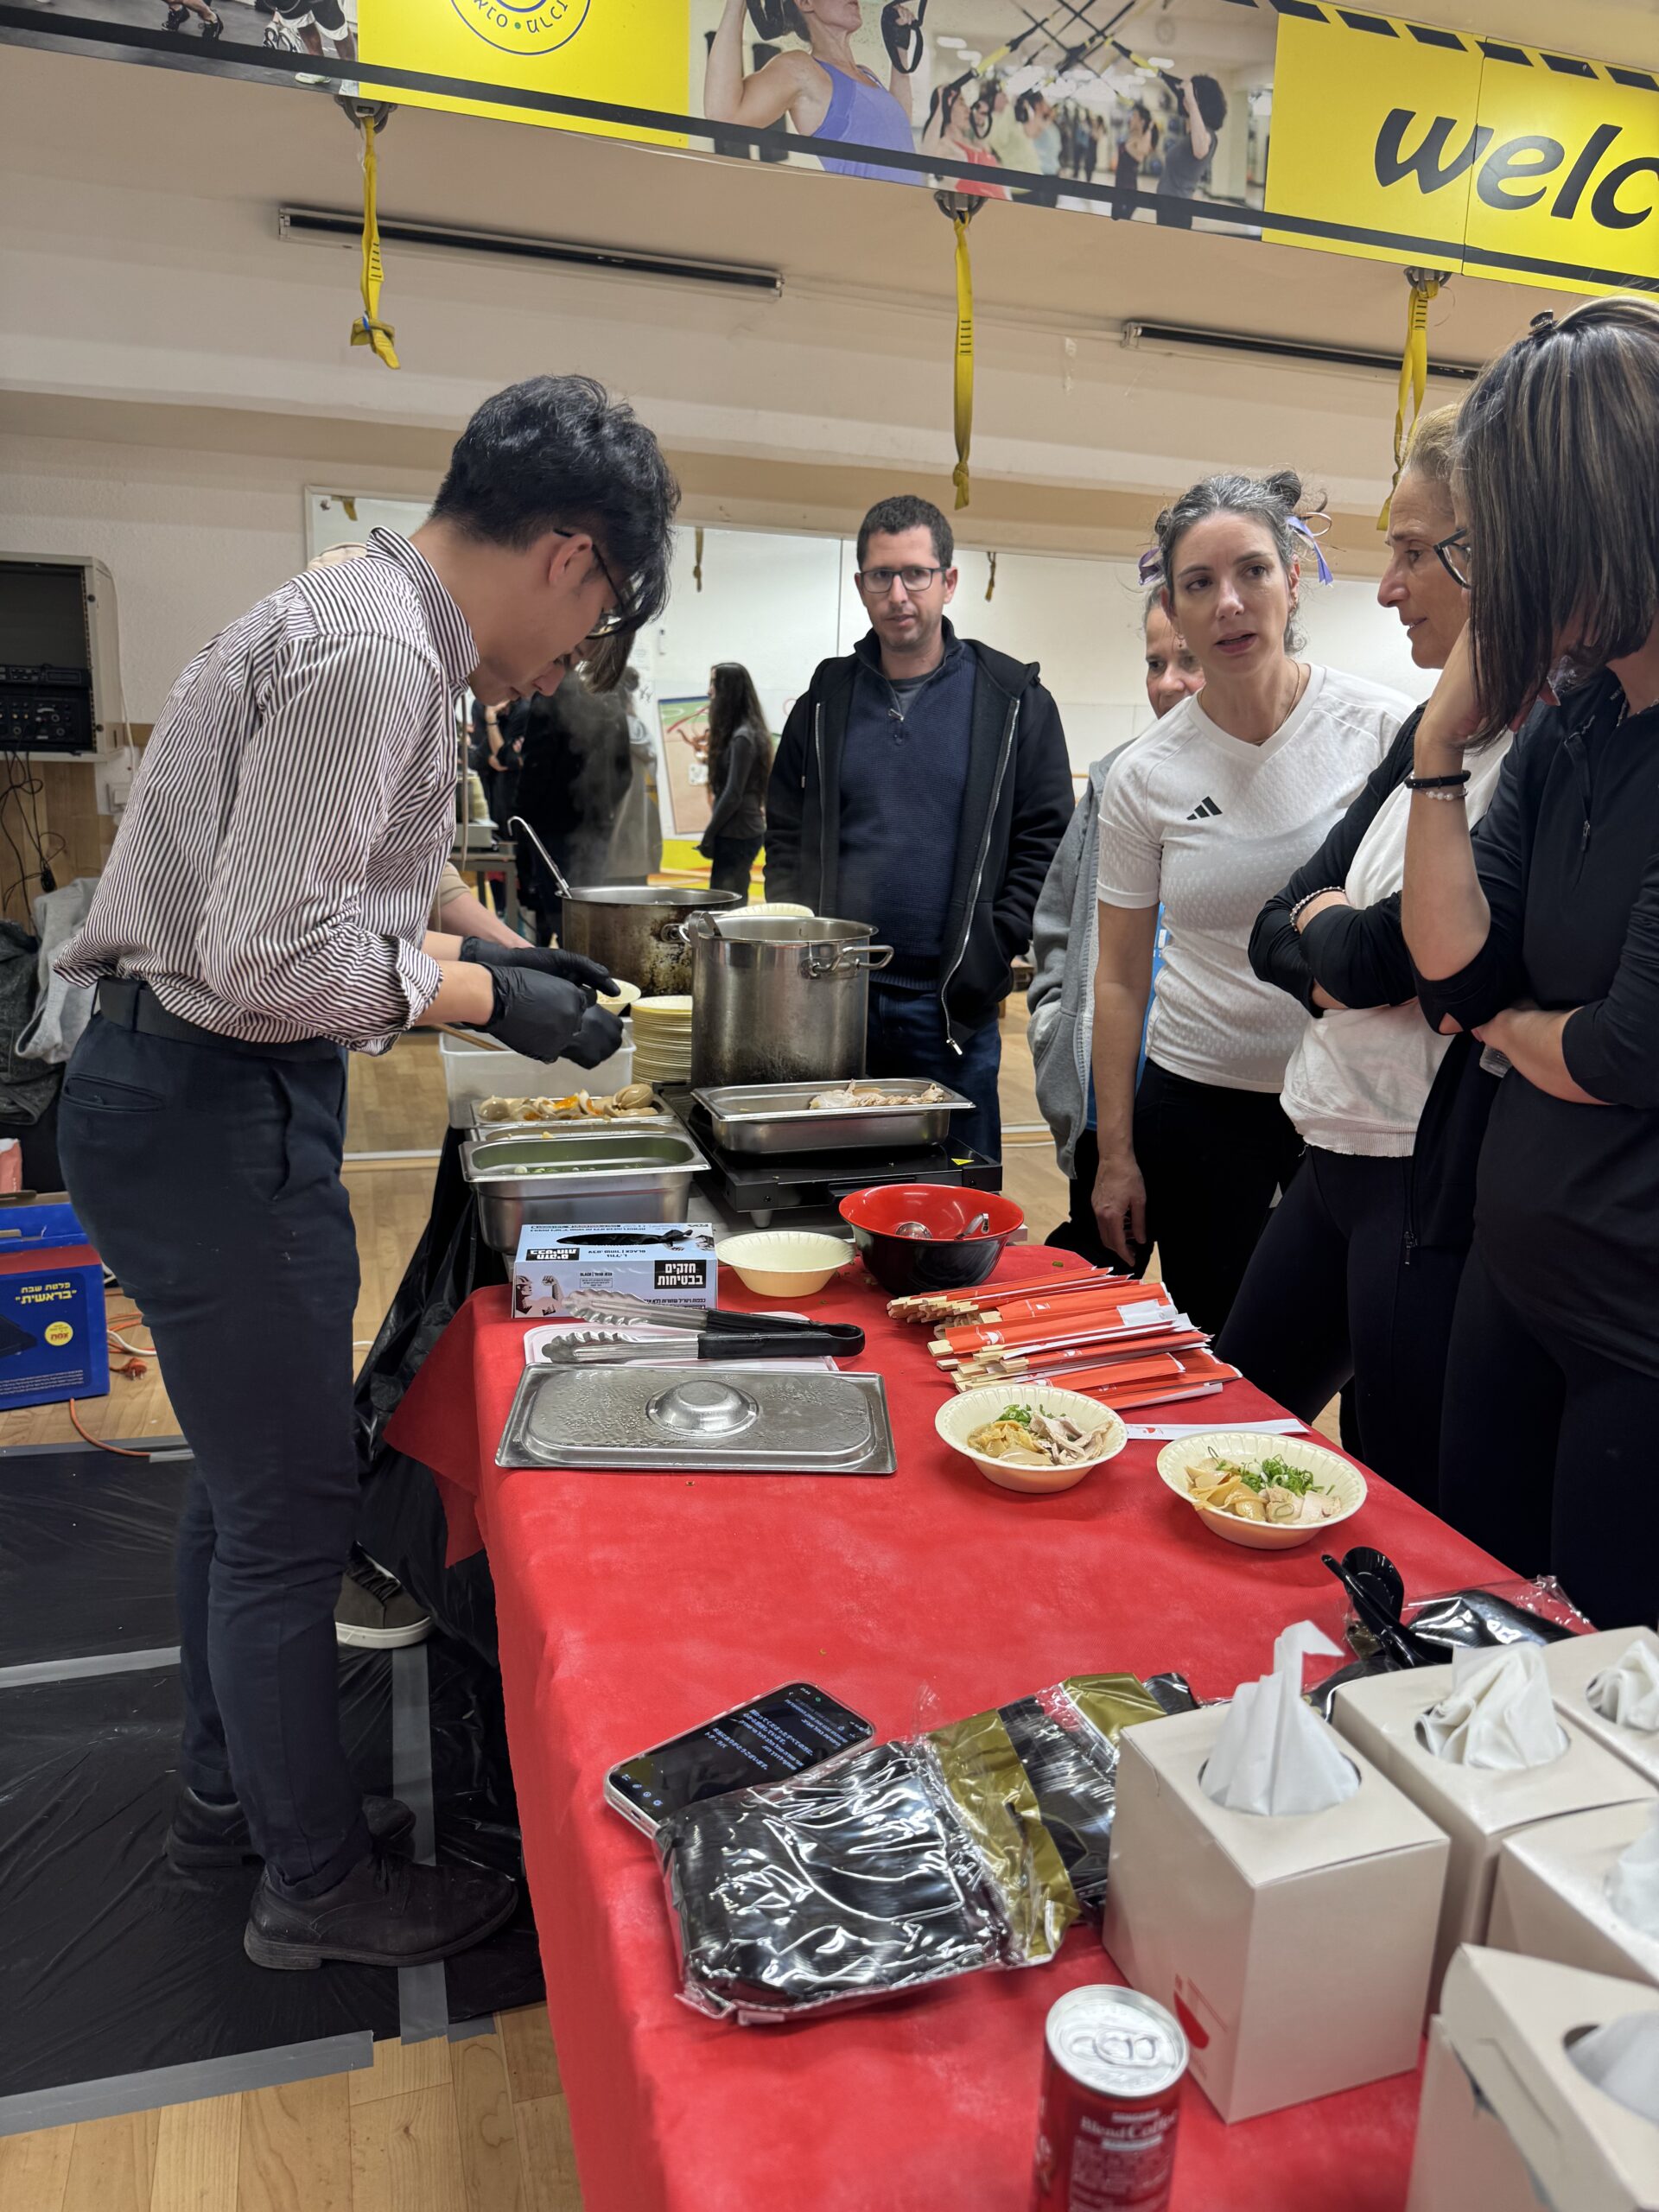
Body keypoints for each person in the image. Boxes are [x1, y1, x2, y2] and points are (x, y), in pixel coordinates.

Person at [56, 374, 677, 1971]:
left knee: (244, 1492)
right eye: (600, 614)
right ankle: (314, 1882)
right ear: (570, 553)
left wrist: (503, 943)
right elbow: (276, 955)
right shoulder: (377, 651)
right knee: (291, 1515)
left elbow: (370, 872)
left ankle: (229, 1799)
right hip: (214, 1098)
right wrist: (483, 999)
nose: (573, 661)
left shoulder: (367, 618)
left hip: (175, 1095)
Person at [1402, 298, 1659, 1630]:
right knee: (1475, 1636)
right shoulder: (1574, 704)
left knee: (1607, 1725)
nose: (1480, 574)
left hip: (1637, 1332)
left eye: (1491, 541)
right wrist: (1442, 741)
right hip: (1517, 1272)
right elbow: (1450, 967)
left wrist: (1506, 1028)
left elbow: (1627, 1053)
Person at [1215, 408, 1505, 1507]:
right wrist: (1332, 939)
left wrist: (1333, 940)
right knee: (1232, 1429)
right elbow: (1273, 922)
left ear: (1495, 554)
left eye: (1412, 550)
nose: (1385, 585)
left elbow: (1402, 960)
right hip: (1330, 1144)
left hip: (1422, 1184)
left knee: (1399, 1498)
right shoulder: (1430, 726)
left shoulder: (1533, 737)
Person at [1091, 470, 1412, 1332]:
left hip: (1353, 1100)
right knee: (1219, 1358)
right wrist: (1114, 1154)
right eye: (1199, 583)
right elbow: (1119, 978)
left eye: (1253, 572)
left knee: (1358, 1348)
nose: (1229, 603)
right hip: (1199, 1102)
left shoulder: (1384, 730)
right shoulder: (1143, 775)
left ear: (1293, 579)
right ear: (1176, 605)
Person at [766, 493, 1072, 1162]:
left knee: (957, 1196)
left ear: (949, 581)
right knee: (835, 1187)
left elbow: (1046, 839)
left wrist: (993, 945)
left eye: (916, 574)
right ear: (861, 586)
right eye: (881, 576)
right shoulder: (826, 699)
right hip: (834, 1001)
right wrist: (795, 939)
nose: (898, 593)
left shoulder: (1011, 699)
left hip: (948, 1007)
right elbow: (785, 823)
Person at [1031, 592, 1203, 1263]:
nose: (1167, 684)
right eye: (1155, 663)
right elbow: (1057, 929)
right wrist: (1056, 1030)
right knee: (1087, 1300)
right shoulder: (1110, 785)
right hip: (1109, 1109)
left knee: (1220, 1320)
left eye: (1186, 661)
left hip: (1208, 1115)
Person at [704, 0, 918, 188]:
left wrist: (900, 49)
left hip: (913, 219)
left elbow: (898, 129)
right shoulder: (802, 70)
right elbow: (723, 114)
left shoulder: (866, 74)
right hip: (869, 221)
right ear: (805, 2)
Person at [512, 667, 635, 941]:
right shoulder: (609, 694)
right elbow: (624, 771)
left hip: (551, 826)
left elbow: (535, 767)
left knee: (559, 909)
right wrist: (603, 806)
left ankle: (570, 970)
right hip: (596, 823)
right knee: (591, 909)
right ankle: (593, 969)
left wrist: (521, 814)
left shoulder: (551, 693)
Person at [697, 662, 772, 899]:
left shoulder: (743, 737)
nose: (710, 691)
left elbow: (732, 794)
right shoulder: (743, 733)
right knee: (727, 899)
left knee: (725, 903)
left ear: (728, 689)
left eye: (714, 683)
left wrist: (709, 834)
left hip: (739, 833)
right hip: (738, 831)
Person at [1156, 74, 1226, 229]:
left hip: (1177, 210)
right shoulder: (1191, 135)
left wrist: (1192, 103)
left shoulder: (1208, 135)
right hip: (1169, 207)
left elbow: (1200, 150)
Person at [1111, 100, 1157, 221]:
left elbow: (1141, 155)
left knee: (1119, 226)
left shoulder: (1141, 139)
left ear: (1141, 121)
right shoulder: (1131, 136)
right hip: (1119, 187)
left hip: (1128, 190)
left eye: (1135, 116)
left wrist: (1149, 128)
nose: (1131, 118)